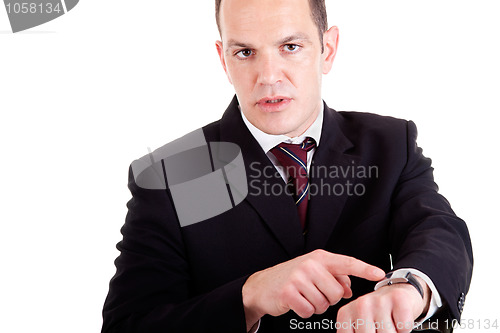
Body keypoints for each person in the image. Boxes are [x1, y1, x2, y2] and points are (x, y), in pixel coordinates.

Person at [101, 0, 473, 332]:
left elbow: (438, 231)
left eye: (290, 47)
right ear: (223, 60)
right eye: (245, 52)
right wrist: (249, 297)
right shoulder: (171, 174)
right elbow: (130, 323)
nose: (268, 76)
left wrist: (412, 288)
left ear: (328, 50)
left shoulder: (391, 144)